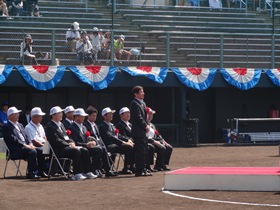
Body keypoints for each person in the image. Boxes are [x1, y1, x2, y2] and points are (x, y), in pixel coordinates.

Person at [45, 106, 97, 180]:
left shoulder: (61, 124)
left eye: (61, 113)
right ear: (53, 115)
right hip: (58, 150)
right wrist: (69, 145)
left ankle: (87, 171)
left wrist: (71, 142)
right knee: (76, 151)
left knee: (84, 150)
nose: (61, 115)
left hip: (66, 147)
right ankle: (76, 173)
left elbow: (66, 137)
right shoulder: (50, 126)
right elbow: (56, 140)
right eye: (59, 113)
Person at [3, 106, 46, 179]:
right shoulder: (6, 126)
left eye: (18, 114)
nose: (18, 115)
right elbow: (13, 139)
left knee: (41, 150)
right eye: (16, 114)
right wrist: (24, 145)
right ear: (10, 116)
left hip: (25, 147)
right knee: (32, 151)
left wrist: (30, 144)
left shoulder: (20, 125)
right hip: (15, 150)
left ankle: (41, 171)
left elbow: (26, 137)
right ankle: (31, 172)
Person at [98, 107, 134, 174]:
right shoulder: (102, 126)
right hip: (109, 146)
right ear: (104, 116)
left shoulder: (112, 125)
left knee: (131, 146)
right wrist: (123, 143)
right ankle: (125, 168)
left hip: (115, 145)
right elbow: (110, 137)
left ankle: (129, 166)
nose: (111, 115)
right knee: (128, 147)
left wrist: (128, 140)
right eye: (109, 114)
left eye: (112, 114)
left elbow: (119, 135)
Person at [84, 107, 118, 177]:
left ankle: (107, 170)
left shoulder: (95, 125)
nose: (95, 117)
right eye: (93, 115)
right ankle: (94, 169)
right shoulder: (85, 125)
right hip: (91, 145)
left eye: (96, 116)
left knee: (103, 148)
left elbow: (99, 137)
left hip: (98, 144)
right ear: (88, 116)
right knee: (100, 149)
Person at [129, 85, 152, 177]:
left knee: (145, 150)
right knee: (140, 151)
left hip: (143, 131)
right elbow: (138, 117)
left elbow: (144, 117)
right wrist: (145, 125)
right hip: (138, 132)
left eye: (143, 91)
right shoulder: (134, 103)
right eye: (141, 92)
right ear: (136, 94)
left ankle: (144, 168)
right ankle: (139, 171)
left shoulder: (143, 103)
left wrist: (147, 124)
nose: (143, 93)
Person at [146, 107, 172, 171]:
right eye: (149, 114)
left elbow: (158, 135)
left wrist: (163, 141)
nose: (151, 116)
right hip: (148, 142)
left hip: (155, 142)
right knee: (161, 148)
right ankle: (149, 166)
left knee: (169, 147)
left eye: (151, 114)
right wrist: (154, 142)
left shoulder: (152, 125)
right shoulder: (143, 124)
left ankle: (161, 164)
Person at [24, 107, 47, 176]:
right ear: (34, 117)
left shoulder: (40, 126)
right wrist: (44, 146)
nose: (41, 118)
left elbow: (44, 137)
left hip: (43, 144)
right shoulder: (28, 127)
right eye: (39, 116)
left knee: (53, 149)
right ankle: (40, 170)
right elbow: (33, 140)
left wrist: (46, 143)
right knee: (41, 150)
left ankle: (51, 169)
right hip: (34, 145)